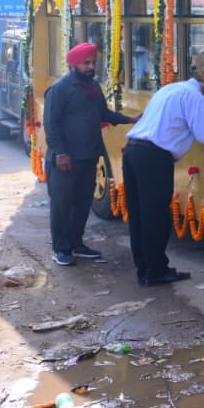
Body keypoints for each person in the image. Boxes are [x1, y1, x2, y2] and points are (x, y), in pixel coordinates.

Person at [122, 74, 204, 286]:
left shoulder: (170, 89)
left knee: (140, 214)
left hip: (133, 150)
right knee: (156, 216)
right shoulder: (195, 97)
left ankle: (144, 268)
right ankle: (157, 270)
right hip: (154, 157)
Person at [42, 43, 137, 267]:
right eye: (86, 63)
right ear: (74, 64)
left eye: (93, 62)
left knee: (82, 203)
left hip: (88, 156)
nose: (91, 66)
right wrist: (61, 153)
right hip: (65, 159)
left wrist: (129, 120)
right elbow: (51, 124)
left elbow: (103, 114)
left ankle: (76, 243)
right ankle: (61, 249)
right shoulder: (60, 89)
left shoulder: (93, 87)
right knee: (62, 205)